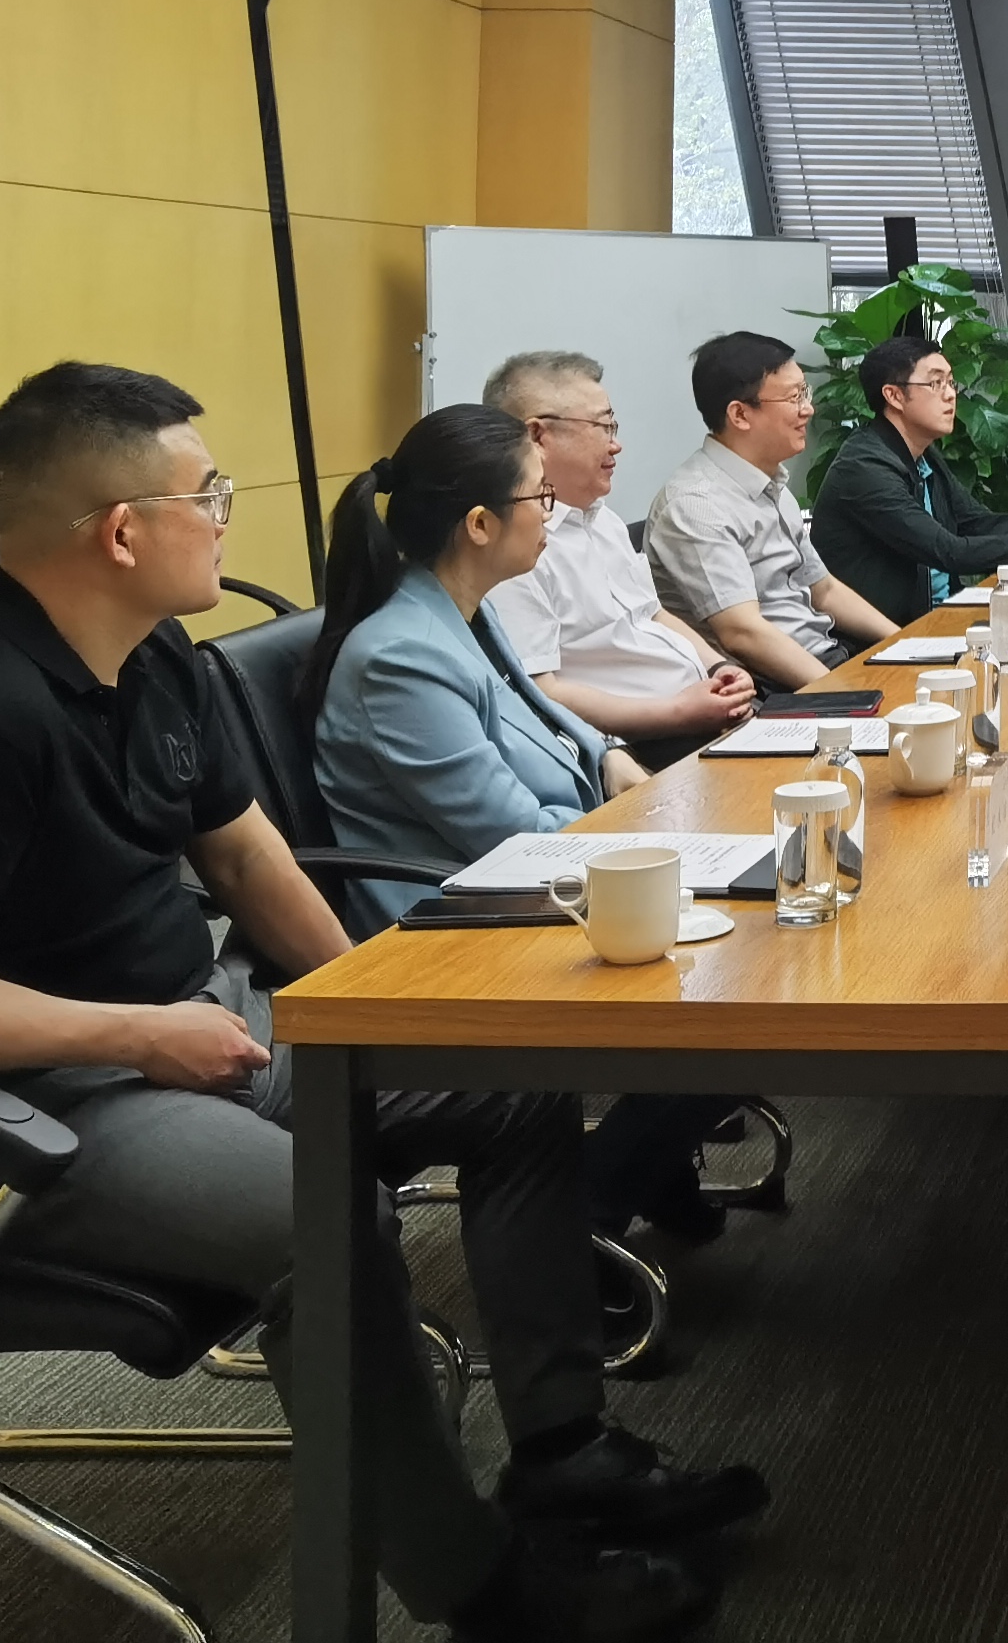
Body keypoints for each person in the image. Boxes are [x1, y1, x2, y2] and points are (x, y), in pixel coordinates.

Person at [0, 363, 759, 1643]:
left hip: (185, 1022)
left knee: (508, 1089)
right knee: (323, 1220)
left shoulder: (151, 659)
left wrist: (369, 1008)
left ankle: (562, 1449)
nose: (226, 516)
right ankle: (482, 1589)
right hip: (18, 1099)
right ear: (123, 531)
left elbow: (248, 859)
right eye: (210, 494)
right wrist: (140, 1034)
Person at [306, 404, 730, 1247]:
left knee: (741, 963)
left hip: (537, 874)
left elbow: (555, 725)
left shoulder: (465, 610)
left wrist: (614, 760)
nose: (552, 512)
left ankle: (636, 1173)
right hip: (465, 919)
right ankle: (595, 1202)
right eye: (540, 497)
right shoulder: (401, 655)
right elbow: (510, 839)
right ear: (478, 523)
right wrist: (646, 838)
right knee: (729, 1001)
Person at [483, 352, 756, 754]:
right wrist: (680, 712)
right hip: (641, 745)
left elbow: (653, 613)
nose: (616, 444)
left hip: (703, 712)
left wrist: (720, 667)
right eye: (602, 426)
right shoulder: (513, 547)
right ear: (538, 436)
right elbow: (542, 691)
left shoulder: (602, 519)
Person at [644, 330, 902, 690]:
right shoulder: (696, 505)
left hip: (826, 658)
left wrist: (903, 644)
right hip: (775, 687)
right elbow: (743, 633)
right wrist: (843, 693)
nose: (808, 409)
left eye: (804, 392)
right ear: (740, 414)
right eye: (794, 397)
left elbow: (824, 590)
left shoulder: (772, 483)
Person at [808, 336, 1008, 626]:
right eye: (936, 383)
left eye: (951, 382)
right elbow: (947, 550)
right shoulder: (864, 467)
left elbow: (978, 522)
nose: (950, 394)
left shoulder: (923, 455)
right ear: (894, 396)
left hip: (939, 618)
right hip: (884, 638)